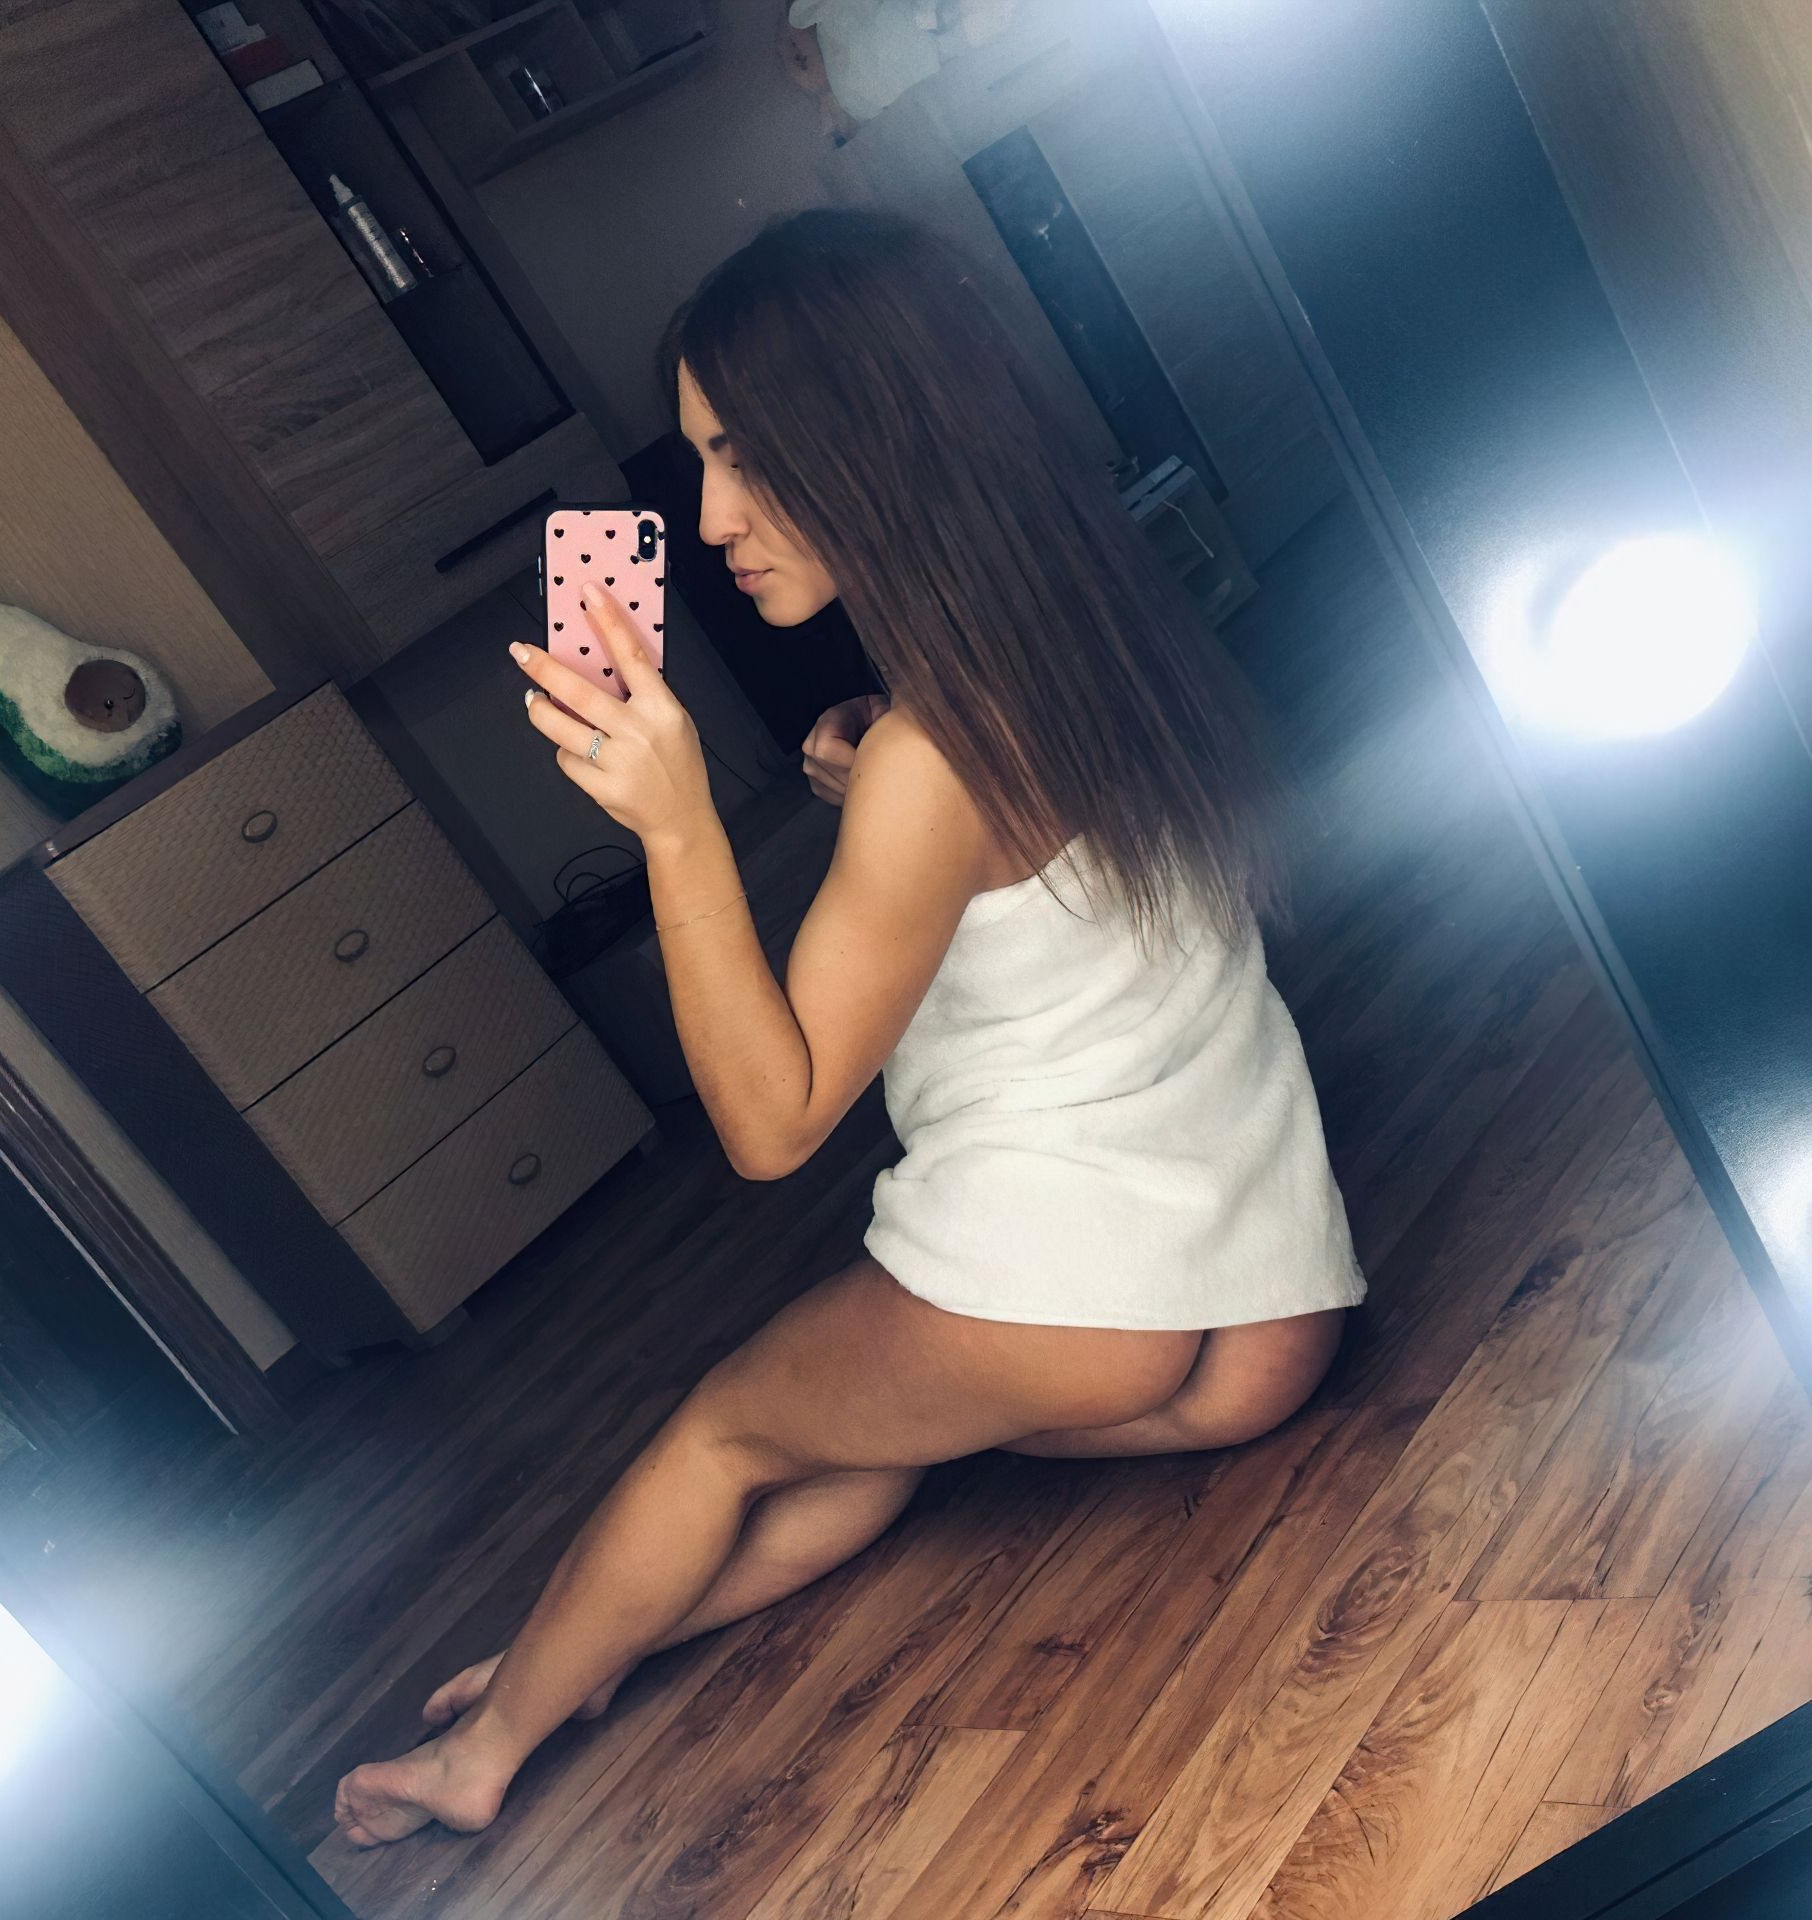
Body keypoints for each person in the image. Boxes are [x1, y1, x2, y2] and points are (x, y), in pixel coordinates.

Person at [333, 208, 1366, 1849]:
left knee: (728, 1433)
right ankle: (595, 1652)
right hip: (1259, 1314)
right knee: (874, 1446)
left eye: (746, 460)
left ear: (881, 440)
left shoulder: (923, 771)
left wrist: (679, 826)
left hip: (1054, 1310)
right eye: (699, 464)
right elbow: (1009, 842)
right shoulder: (1091, 630)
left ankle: (488, 1748)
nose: (712, 520)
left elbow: (773, 1125)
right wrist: (875, 764)